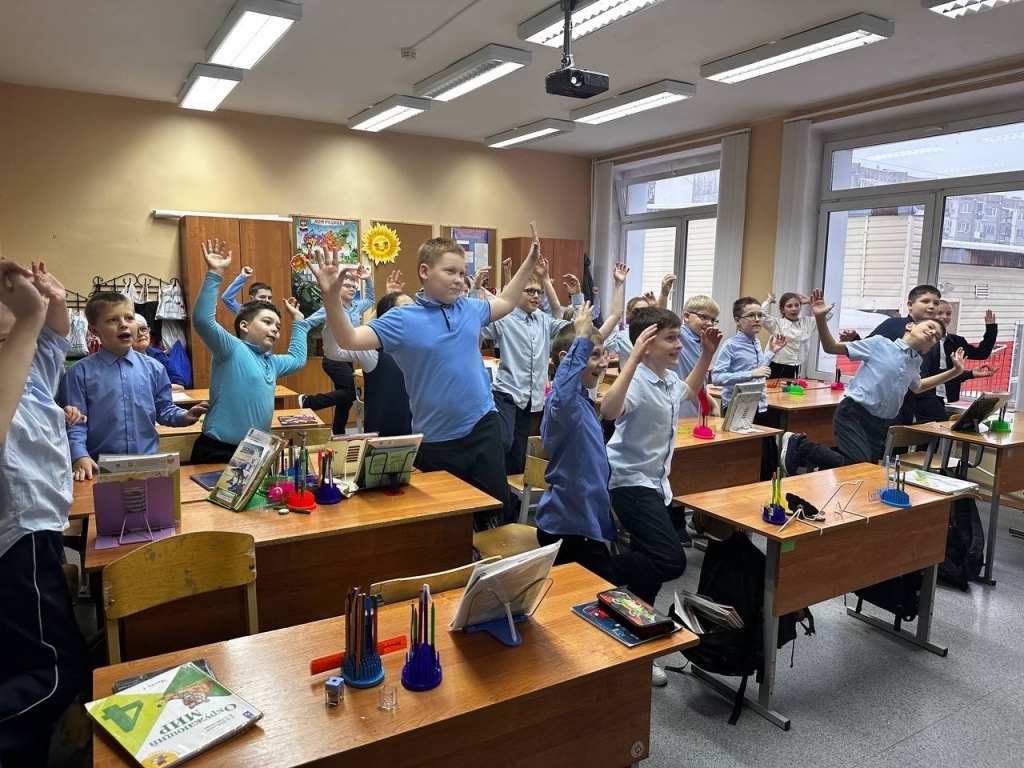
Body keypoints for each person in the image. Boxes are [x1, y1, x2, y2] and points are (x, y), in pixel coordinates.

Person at [310, 225, 545, 530]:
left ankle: (489, 555)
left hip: (482, 425)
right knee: (448, 519)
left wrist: (529, 263)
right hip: (437, 439)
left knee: (494, 507)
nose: (459, 279)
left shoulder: (469, 308)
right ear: (424, 271)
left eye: (462, 273)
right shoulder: (402, 318)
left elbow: (507, 302)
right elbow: (349, 339)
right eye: (450, 271)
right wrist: (331, 299)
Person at [601, 305, 721, 686]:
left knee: (648, 573)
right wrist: (632, 360)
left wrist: (706, 355)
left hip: (657, 485)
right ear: (647, 344)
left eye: (678, 337)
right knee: (670, 560)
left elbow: (690, 390)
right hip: (628, 483)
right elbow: (609, 410)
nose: (678, 344)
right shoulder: (636, 381)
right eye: (670, 338)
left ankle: (637, 638)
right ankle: (594, 569)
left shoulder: (668, 380)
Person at [0, 260, 89, 768]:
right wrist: (29, 317)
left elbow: (54, 340)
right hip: (20, 536)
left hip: (42, 531)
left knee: (24, 660)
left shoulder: (30, 368)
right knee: (55, 670)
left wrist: (52, 302)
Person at [782, 290, 965, 474]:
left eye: (936, 336)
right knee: (857, 465)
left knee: (867, 472)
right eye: (930, 327)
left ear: (928, 349)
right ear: (910, 326)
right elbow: (831, 347)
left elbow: (918, 387)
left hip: (881, 423)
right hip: (854, 413)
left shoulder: (915, 361)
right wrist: (820, 318)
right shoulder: (879, 344)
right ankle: (801, 444)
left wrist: (955, 371)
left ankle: (819, 469)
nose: (932, 333)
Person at [483, 260, 627, 478]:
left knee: (518, 453)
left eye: (538, 292)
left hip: (531, 397)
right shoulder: (505, 318)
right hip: (507, 392)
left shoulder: (542, 319)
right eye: (529, 291)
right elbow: (480, 324)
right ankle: (489, 479)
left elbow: (576, 329)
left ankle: (508, 495)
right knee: (503, 442)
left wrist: (577, 297)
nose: (535, 296)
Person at [60, 292, 207, 480]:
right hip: (98, 467)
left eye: (129, 318)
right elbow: (75, 423)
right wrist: (79, 455)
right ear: (94, 330)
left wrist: (185, 416)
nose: (124, 324)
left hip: (148, 464)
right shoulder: (78, 373)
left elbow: (163, 409)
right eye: (112, 320)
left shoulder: (154, 368)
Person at [191, 239, 308, 463]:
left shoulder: (272, 362)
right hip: (218, 449)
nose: (274, 329)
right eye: (267, 322)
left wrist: (299, 320)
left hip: (254, 451)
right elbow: (202, 321)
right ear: (244, 326)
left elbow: (297, 359)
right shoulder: (231, 348)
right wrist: (215, 273)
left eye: (278, 327)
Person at [839, 284, 944, 425]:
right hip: (884, 398)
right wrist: (854, 339)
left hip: (914, 396)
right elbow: (868, 349)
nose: (931, 306)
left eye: (936, 303)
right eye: (925, 301)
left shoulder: (934, 337)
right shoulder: (893, 324)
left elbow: (931, 371)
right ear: (910, 305)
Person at [711, 296, 786, 480]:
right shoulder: (730, 345)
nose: (757, 319)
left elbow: (758, 370)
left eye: (760, 315)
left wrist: (771, 353)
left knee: (768, 461)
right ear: (738, 320)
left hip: (759, 405)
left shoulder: (756, 342)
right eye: (751, 315)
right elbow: (717, 378)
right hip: (738, 409)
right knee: (745, 462)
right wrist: (751, 374)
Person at [300, 256, 377, 434]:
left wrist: (368, 280)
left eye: (354, 287)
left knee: (345, 400)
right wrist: (302, 346)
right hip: (333, 359)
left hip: (349, 358)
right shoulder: (331, 308)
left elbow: (371, 299)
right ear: (338, 287)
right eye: (347, 286)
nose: (352, 289)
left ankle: (339, 433)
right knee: (352, 392)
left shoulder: (356, 306)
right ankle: (309, 402)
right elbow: (306, 324)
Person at [359, 291, 414, 437]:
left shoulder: (422, 345)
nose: (414, 313)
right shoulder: (373, 351)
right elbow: (336, 350)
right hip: (384, 434)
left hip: (418, 430)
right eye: (407, 308)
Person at [931, 301, 998, 405]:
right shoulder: (924, 340)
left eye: (948, 314)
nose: (944, 317)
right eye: (939, 313)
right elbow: (932, 372)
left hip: (943, 394)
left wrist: (991, 328)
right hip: (925, 394)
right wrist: (969, 374)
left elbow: (982, 353)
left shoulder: (957, 341)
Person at [761, 291, 818, 380]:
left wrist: (812, 303)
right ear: (782, 309)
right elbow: (760, 315)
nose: (794, 309)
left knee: (790, 389)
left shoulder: (807, 322)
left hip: (796, 366)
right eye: (789, 306)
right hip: (776, 365)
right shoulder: (777, 323)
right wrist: (768, 301)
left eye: (797, 305)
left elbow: (826, 316)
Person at [132, 313, 186, 391]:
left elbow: (179, 386)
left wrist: (151, 388)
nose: (141, 334)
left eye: (143, 329)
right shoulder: (123, 359)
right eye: (135, 331)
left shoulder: (159, 355)